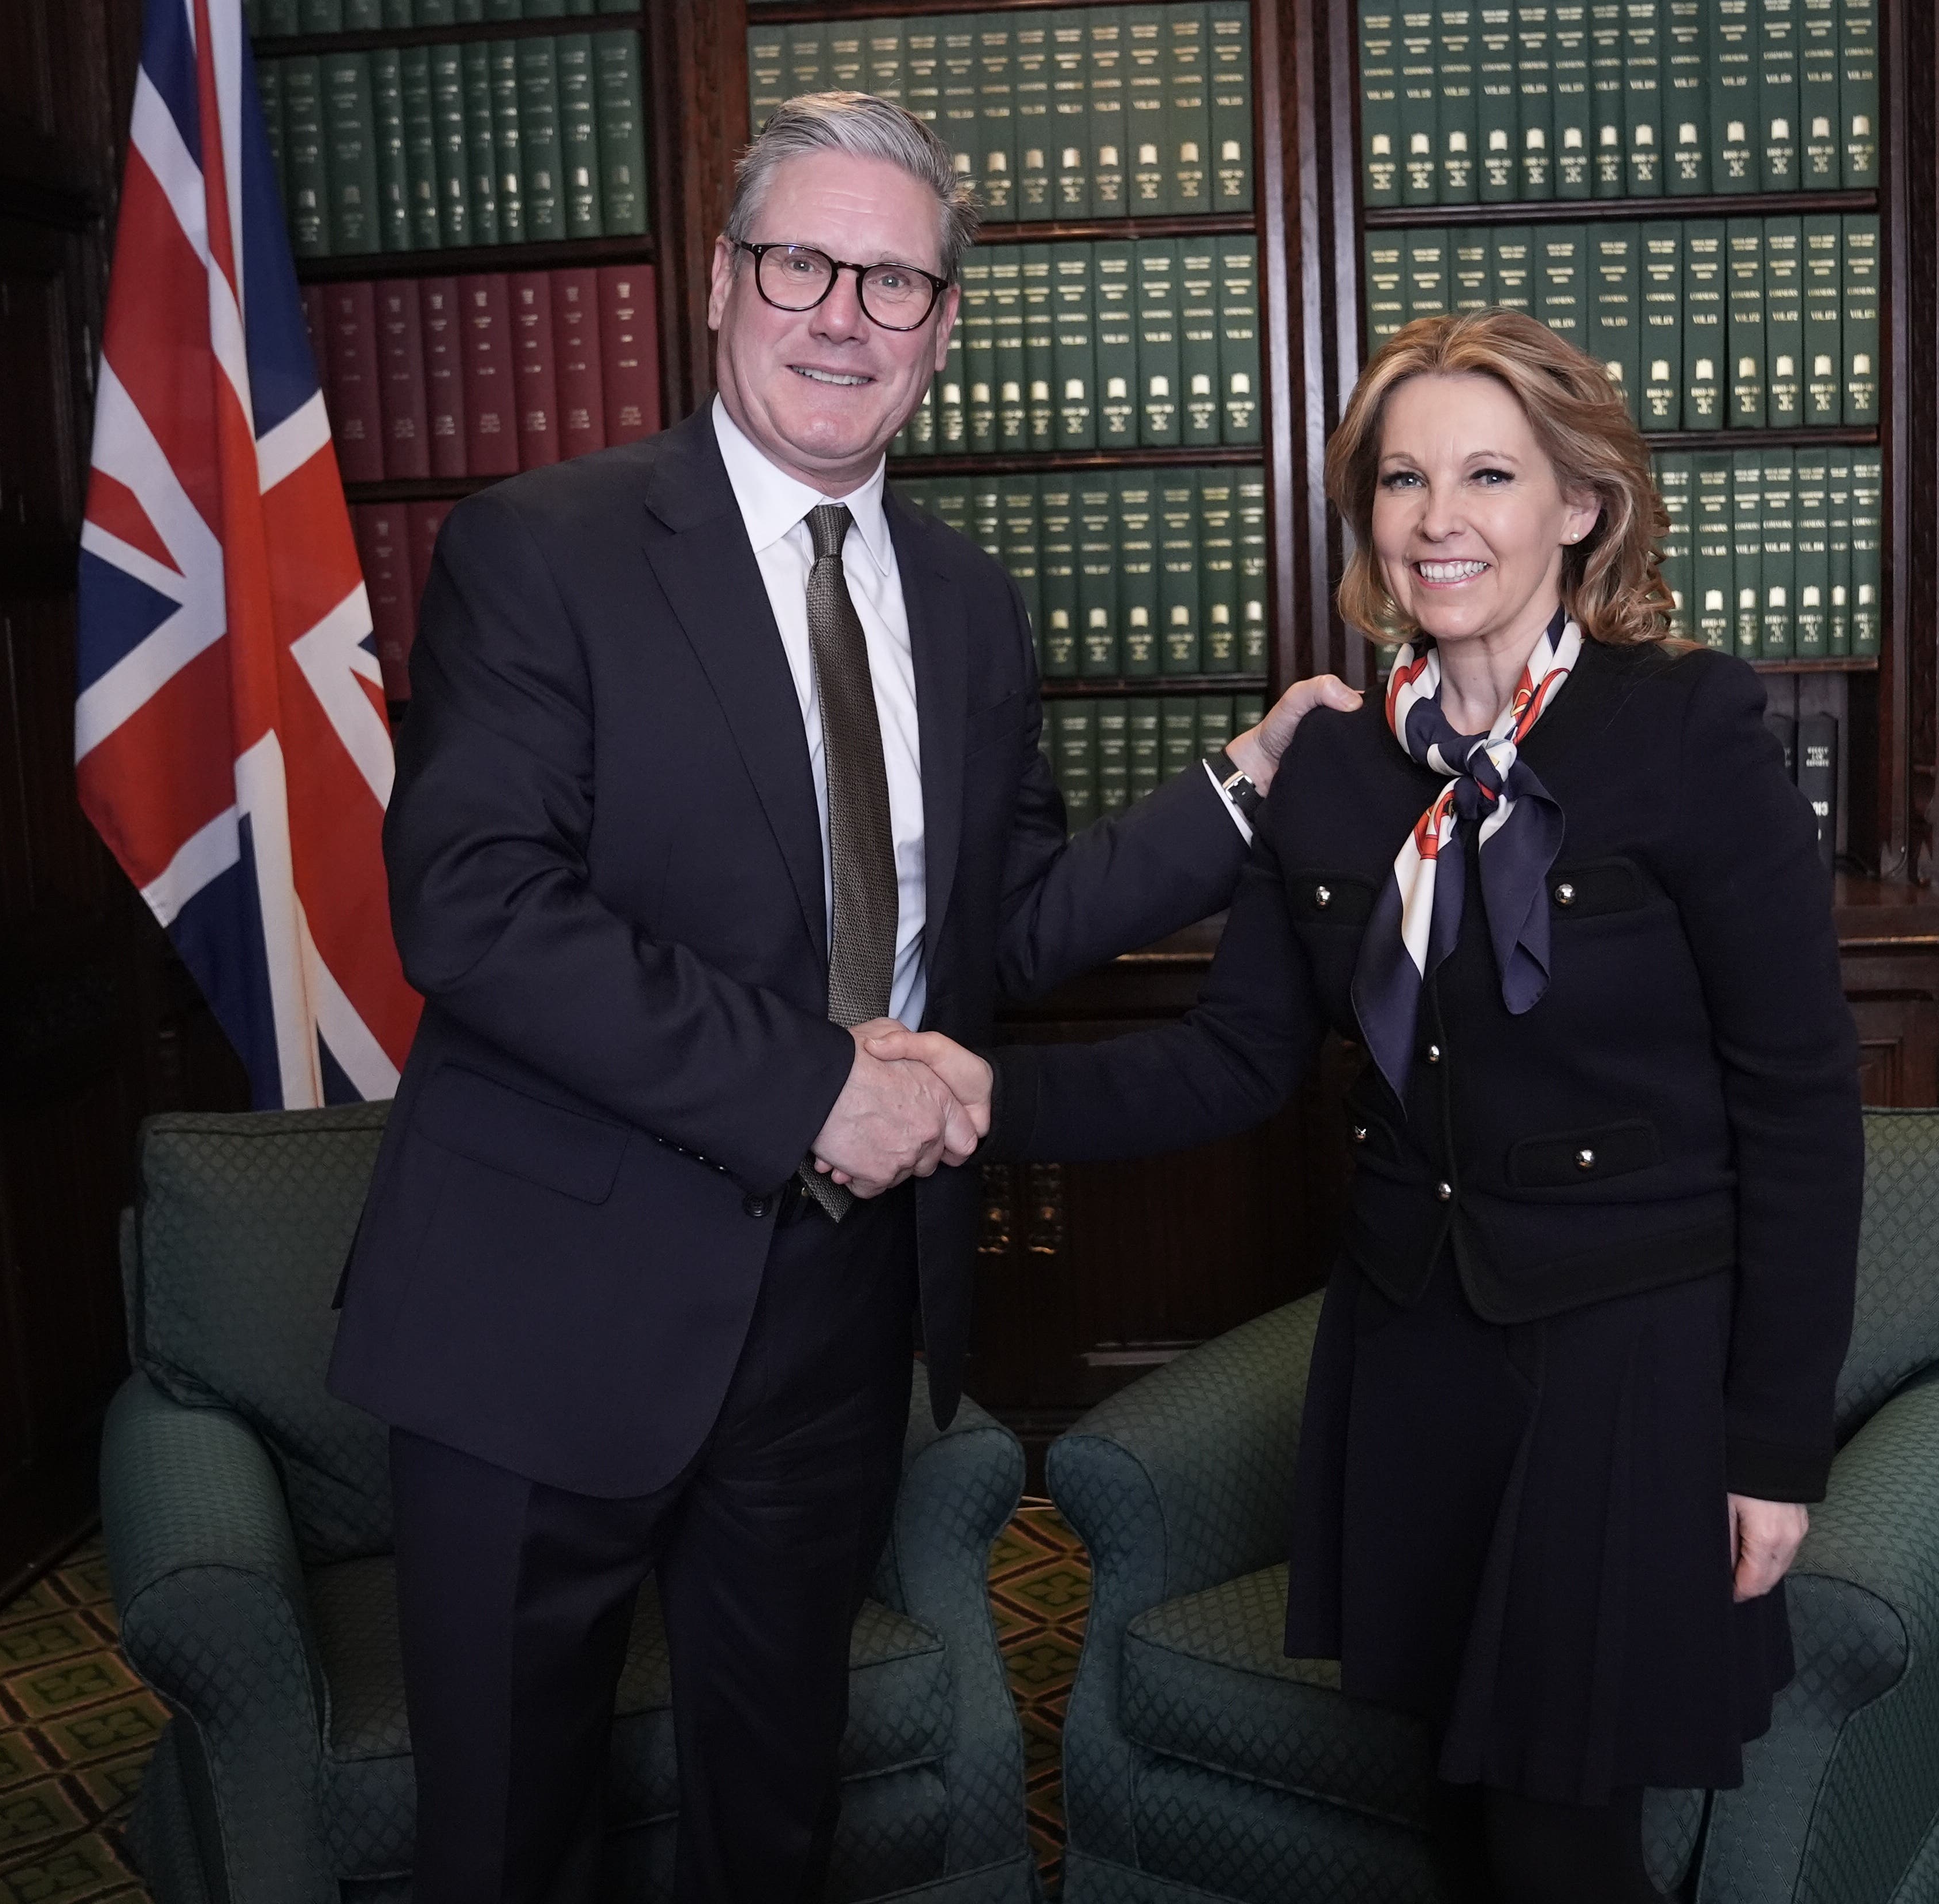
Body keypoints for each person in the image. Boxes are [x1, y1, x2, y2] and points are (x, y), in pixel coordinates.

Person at [326, 91, 1357, 1903]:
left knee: (773, 1808)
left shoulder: (965, 605)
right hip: (538, 1308)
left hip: (829, 1308)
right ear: (723, 286)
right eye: (803, 261)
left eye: (895, 283)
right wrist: (812, 1080)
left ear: (944, 330)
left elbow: (1003, 929)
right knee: (501, 1838)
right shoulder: (542, 546)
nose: (843, 316)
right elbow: (472, 907)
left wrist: (1243, 787)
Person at [880, 309, 1863, 1901]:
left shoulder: (1689, 728)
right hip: (1415, 1348)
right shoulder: (1335, 764)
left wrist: (1774, 1445)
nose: (1439, 520)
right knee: (1457, 1799)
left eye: (1489, 475)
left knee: (1560, 1828)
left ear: (1581, 506)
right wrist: (982, 1096)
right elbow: (1233, 1059)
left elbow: (1803, 1105)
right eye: (1403, 481)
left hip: (1627, 1354)